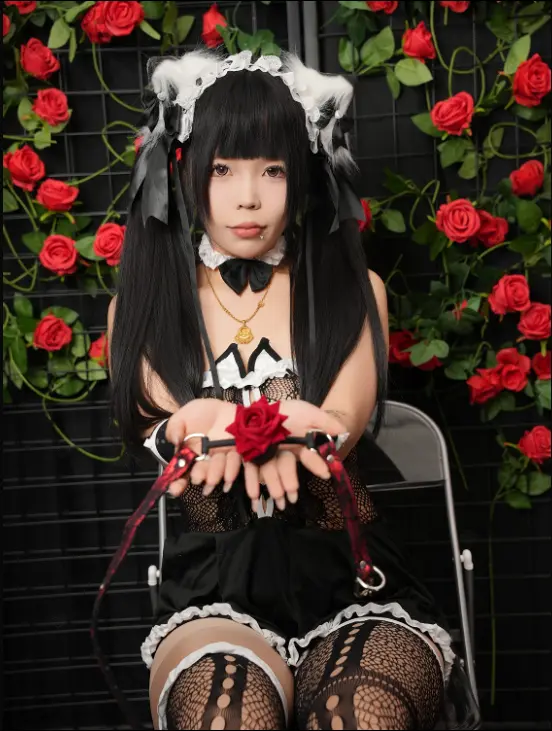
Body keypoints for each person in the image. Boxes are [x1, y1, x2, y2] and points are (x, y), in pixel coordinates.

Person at [107, 48, 468, 731]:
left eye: (272, 169)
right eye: (223, 169)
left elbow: (343, 417)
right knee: (225, 717)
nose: (248, 197)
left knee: (361, 715)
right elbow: (160, 420)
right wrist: (195, 423)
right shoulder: (144, 306)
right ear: (184, 169)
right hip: (211, 593)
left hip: (353, 582)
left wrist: (302, 427)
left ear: (303, 173)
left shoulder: (354, 291)